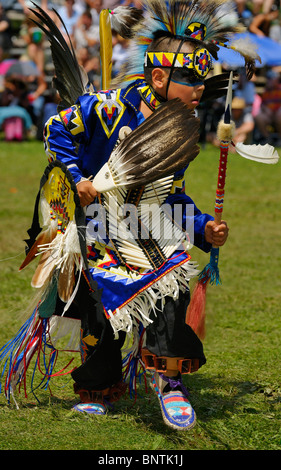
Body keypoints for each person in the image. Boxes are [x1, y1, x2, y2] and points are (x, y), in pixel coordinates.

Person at [0, 0, 259, 431]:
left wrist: (202, 228)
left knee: (172, 282)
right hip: (98, 219)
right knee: (100, 305)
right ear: (158, 77)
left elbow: (170, 195)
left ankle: (169, 380)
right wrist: (79, 176)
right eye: (190, 79)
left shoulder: (179, 127)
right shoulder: (109, 107)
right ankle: (98, 388)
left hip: (148, 222)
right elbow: (56, 128)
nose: (198, 90)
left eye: (202, 81)